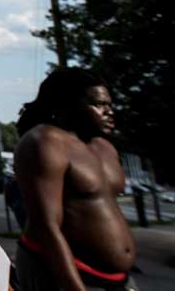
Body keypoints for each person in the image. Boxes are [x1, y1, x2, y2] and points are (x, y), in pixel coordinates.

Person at [14, 68, 137, 291]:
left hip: (118, 279)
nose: (109, 112)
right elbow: (46, 226)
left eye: (109, 104)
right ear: (68, 105)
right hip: (65, 274)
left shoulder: (105, 147)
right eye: (98, 105)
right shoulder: (45, 142)